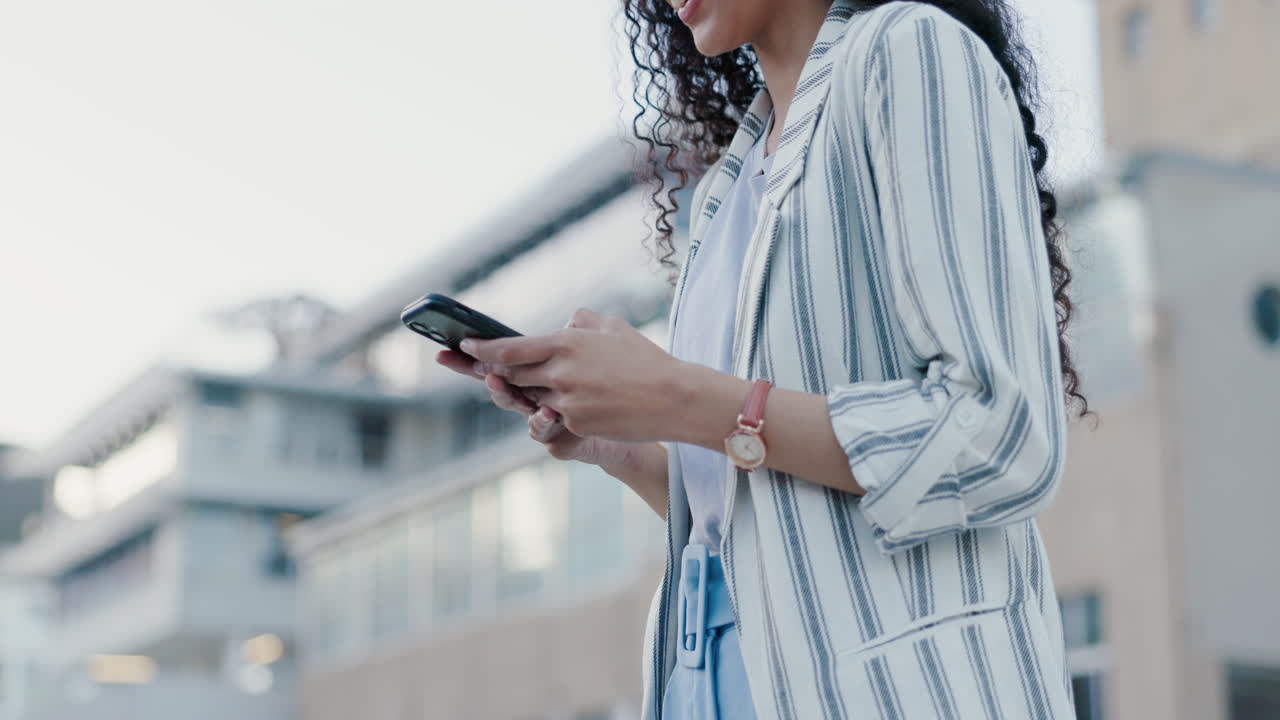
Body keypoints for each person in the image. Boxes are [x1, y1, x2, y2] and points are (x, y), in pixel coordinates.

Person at [436, 0, 1089, 717]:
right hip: (708, 676)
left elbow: (1002, 437)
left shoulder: (909, 51)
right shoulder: (729, 184)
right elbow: (764, 506)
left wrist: (678, 396)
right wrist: (623, 445)